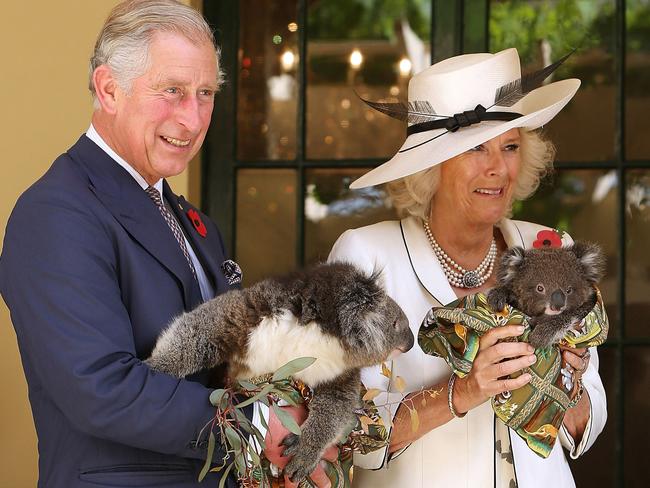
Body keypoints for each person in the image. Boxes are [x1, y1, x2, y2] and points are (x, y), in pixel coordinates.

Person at [0, 1, 328, 487]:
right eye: (172, 91)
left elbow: (220, 368)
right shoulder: (56, 213)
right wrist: (260, 428)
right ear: (108, 89)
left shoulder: (192, 221)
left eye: (205, 93)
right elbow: (102, 389)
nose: (193, 120)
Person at [328, 48, 607, 488]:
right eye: (476, 148)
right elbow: (348, 430)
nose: (497, 168)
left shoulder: (551, 248)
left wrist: (567, 379)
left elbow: (583, 424)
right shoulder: (366, 258)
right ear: (432, 167)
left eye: (510, 146)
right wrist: (463, 390)